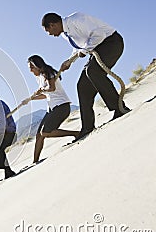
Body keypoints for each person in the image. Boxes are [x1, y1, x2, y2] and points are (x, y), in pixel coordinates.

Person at [42, 12, 130, 141]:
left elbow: (99, 35)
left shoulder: (76, 20)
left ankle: (119, 108)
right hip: (98, 50)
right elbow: (79, 48)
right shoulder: (66, 34)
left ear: (53, 24)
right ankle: (87, 127)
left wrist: (83, 51)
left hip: (111, 43)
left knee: (93, 72)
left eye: (48, 30)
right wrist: (69, 61)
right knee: (82, 86)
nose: (49, 34)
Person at [22, 55, 79, 163]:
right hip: (52, 109)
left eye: (32, 67)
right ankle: (35, 161)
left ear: (38, 66)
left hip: (62, 106)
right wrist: (30, 99)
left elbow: (51, 88)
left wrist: (42, 89)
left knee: (45, 132)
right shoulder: (39, 78)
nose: (30, 70)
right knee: (39, 135)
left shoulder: (47, 73)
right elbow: (45, 95)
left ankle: (76, 133)